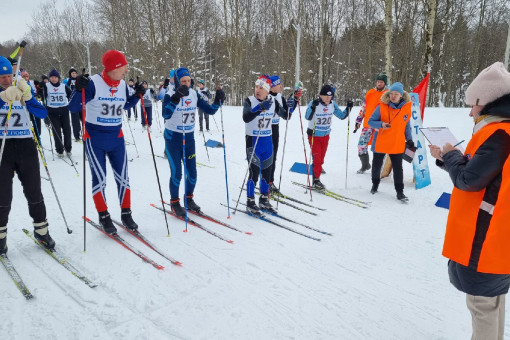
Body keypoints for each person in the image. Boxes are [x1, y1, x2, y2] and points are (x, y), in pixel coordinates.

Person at [429, 62, 510, 340]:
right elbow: (482, 174)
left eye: (472, 105)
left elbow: (469, 180)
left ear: (485, 102)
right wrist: (447, 158)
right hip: (498, 236)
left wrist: (451, 154)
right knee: (492, 302)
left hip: (486, 237)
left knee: (482, 305)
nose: (470, 111)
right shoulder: (502, 132)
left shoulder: (498, 135)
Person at [68, 50, 143, 234]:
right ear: (113, 68)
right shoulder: (93, 82)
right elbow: (73, 107)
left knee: (123, 177)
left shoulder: (123, 84)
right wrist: (79, 90)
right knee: (100, 179)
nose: (126, 70)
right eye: (123, 66)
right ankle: (103, 215)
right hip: (96, 139)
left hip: (116, 138)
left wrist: (136, 95)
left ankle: (126, 213)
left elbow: (124, 105)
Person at [0, 56, 55, 253]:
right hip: (2, 148)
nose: (7, 80)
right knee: (3, 195)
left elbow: (42, 114)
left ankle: (41, 231)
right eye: (2, 77)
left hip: (25, 146)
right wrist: (3, 97)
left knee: (34, 191)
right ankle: (1, 236)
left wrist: (29, 97)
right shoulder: (6, 91)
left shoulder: (21, 89)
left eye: (9, 76)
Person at [162, 67, 225, 217]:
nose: (186, 84)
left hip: (189, 138)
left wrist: (218, 99)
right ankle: (175, 203)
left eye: (188, 81)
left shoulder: (194, 94)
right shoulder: (169, 94)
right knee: (177, 173)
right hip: (173, 138)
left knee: (192, 173)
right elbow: (166, 114)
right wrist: (176, 99)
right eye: (183, 81)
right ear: (177, 82)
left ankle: (189, 200)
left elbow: (210, 110)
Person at [243, 75, 291, 214]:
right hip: (253, 142)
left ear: (267, 90)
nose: (257, 90)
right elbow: (246, 117)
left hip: (267, 142)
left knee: (267, 173)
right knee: (254, 173)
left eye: (261, 88)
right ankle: (250, 201)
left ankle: (264, 199)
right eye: (256, 87)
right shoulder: (249, 101)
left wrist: (290, 105)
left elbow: (286, 116)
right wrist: (259, 108)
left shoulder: (272, 101)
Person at [368, 82, 413, 200]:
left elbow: (407, 126)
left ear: (401, 96)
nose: (393, 96)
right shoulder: (381, 106)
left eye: (396, 94)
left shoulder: (406, 108)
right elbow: (370, 122)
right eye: (391, 93)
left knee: (398, 168)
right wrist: (381, 124)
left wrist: (409, 139)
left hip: (397, 142)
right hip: (381, 141)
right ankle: (375, 185)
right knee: (377, 165)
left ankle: (400, 192)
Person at [305, 84, 351, 190]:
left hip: (325, 135)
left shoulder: (332, 104)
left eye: (330, 96)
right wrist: (312, 107)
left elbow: (341, 116)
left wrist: (349, 108)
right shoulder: (314, 103)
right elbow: (307, 117)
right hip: (314, 135)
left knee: (321, 159)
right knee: (317, 158)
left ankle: (316, 178)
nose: (328, 98)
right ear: (320, 95)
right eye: (325, 96)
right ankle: (316, 180)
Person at [267, 75, 301, 193]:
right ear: (272, 86)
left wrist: (294, 101)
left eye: (281, 83)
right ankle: (264, 181)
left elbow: (287, 115)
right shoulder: (266, 96)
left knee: (274, 157)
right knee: (266, 158)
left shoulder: (280, 97)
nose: (281, 86)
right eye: (278, 84)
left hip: (275, 129)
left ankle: (270, 182)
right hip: (265, 129)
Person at [354, 73, 389, 174]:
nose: (379, 83)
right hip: (368, 124)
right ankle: (365, 165)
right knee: (361, 145)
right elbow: (364, 107)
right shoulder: (370, 93)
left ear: (384, 83)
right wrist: (358, 120)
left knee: (379, 147)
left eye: (381, 82)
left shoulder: (388, 94)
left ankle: (380, 168)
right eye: (378, 81)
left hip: (380, 125)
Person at [39, 69, 73, 157]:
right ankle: (60, 150)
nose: (54, 79)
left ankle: (68, 149)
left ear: (58, 78)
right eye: (52, 77)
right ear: (50, 78)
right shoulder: (47, 86)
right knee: (56, 132)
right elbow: (42, 96)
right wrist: (41, 90)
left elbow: (71, 95)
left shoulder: (63, 86)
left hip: (64, 111)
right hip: (52, 112)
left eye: (55, 77)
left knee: (67, 131)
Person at [20, 70, 43, 145]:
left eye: (27, 76)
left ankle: (37, 137)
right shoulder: (19, 83)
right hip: (24, 106)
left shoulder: (30, 83)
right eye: (24, 77)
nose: (26, 78)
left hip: (32, 104)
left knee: (36, 120)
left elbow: (33, 92)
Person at [63, 68, 83, 142]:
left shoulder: (79, 79)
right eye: (72, 73)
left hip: (81, 102)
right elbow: (63, 88)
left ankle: (85, 134)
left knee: (84, 119)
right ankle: (77, 136)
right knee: (75, 120)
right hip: (72, 103)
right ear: (70, 74)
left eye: (75, 73)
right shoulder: (67, 80)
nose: (74, 74)